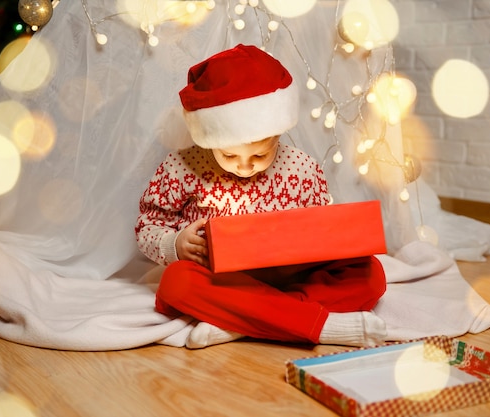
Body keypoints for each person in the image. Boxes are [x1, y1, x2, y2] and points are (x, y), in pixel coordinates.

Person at [136, 44, 387, 349]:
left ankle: (240, 323)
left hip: (290, 279)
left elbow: (324, 228)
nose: (245, 166)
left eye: (259, 153)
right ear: (210, 138)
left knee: (371, 274)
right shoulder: (182, 166)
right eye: (229, 155)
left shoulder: (301, 167)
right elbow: (148, 226)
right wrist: (175, 243)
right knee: (176, 282)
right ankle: (316, 324)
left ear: (277, 136)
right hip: (222, 282)